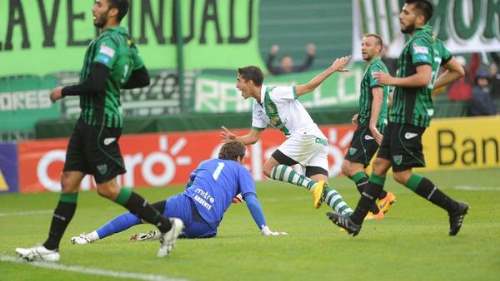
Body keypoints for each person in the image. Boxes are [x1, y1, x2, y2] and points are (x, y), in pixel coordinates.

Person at [16, 0, 183, 262]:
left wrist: (63, 91)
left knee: (107, 188)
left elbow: (95, 84)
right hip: (89, 120)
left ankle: (166, 225)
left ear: (113, 11)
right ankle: (50, 248)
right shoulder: (124, 41)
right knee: (69, 181)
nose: (93, 8)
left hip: (101, 121)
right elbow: (142, 78)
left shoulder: (109, 42)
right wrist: (113, 83)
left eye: (98, 3)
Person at [327, 0, 469, 237]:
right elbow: (457, 71)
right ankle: (354, 222)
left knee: (402, 175)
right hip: (399, 116)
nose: (401, 15)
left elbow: (424, 78)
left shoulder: (420, 43)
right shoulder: (434, 42)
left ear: (420, 18)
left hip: (410, 118)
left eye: (406, 12)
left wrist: (392, 81)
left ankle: (455, 208)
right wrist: (429, 86)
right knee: (380, 167)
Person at [70, 141, 286, 245]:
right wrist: (265, 229)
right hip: (206, 226)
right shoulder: (241, 170)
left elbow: (190, 183)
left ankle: (89, 237)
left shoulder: (206, 163)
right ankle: (167, 232)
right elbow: (252, 200)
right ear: (239, 158)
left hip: (185, 204)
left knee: (138, 214)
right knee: (210, 233)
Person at [221, 56, 353, 217]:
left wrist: (332, 69)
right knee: (323, 188)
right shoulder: (257, 106)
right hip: (317, 140)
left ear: (249, 82)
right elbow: (253, 137)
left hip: (305, 135)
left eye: (239, 80)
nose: (237, 85)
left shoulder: (275, 93)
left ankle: (312, 187)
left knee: (268, 168)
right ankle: (352, 218)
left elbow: (308, 87)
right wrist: (235, 139)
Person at [341, 34, 395, 221]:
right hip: (366, 123)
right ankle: (382, 196)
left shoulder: (376, 68)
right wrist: (363, 114)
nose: (363, 47)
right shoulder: (375, 68)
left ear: (378, 48)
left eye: (368, 45)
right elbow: (388, 99)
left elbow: (379, 96)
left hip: (370, 127)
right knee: (348, 167)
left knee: (354, 168)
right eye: (362, 44)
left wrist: (373, 124)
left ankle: (374, 210)